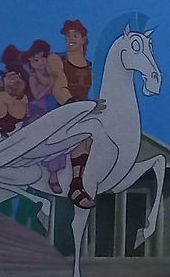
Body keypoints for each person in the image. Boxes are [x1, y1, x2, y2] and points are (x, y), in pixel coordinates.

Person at [46, 20, 96, 208]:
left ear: (83, 39)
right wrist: (72, 104)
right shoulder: (56, 59)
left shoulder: (91, 67)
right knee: (81, 135)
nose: (70, 39)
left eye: (75, 35)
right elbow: (59, 86)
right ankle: (76, 186)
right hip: (58, 110)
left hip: (83, 111)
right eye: (68, 35)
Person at [20, 39, 64, 193]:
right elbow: (37, 96)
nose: (40, 62)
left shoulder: (52, 73)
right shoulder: (34, 78)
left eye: (43, 57)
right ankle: (52, 175)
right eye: (36, 60)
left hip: (53, 107)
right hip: (40, 109)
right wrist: (50, 86)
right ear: (30, 63)